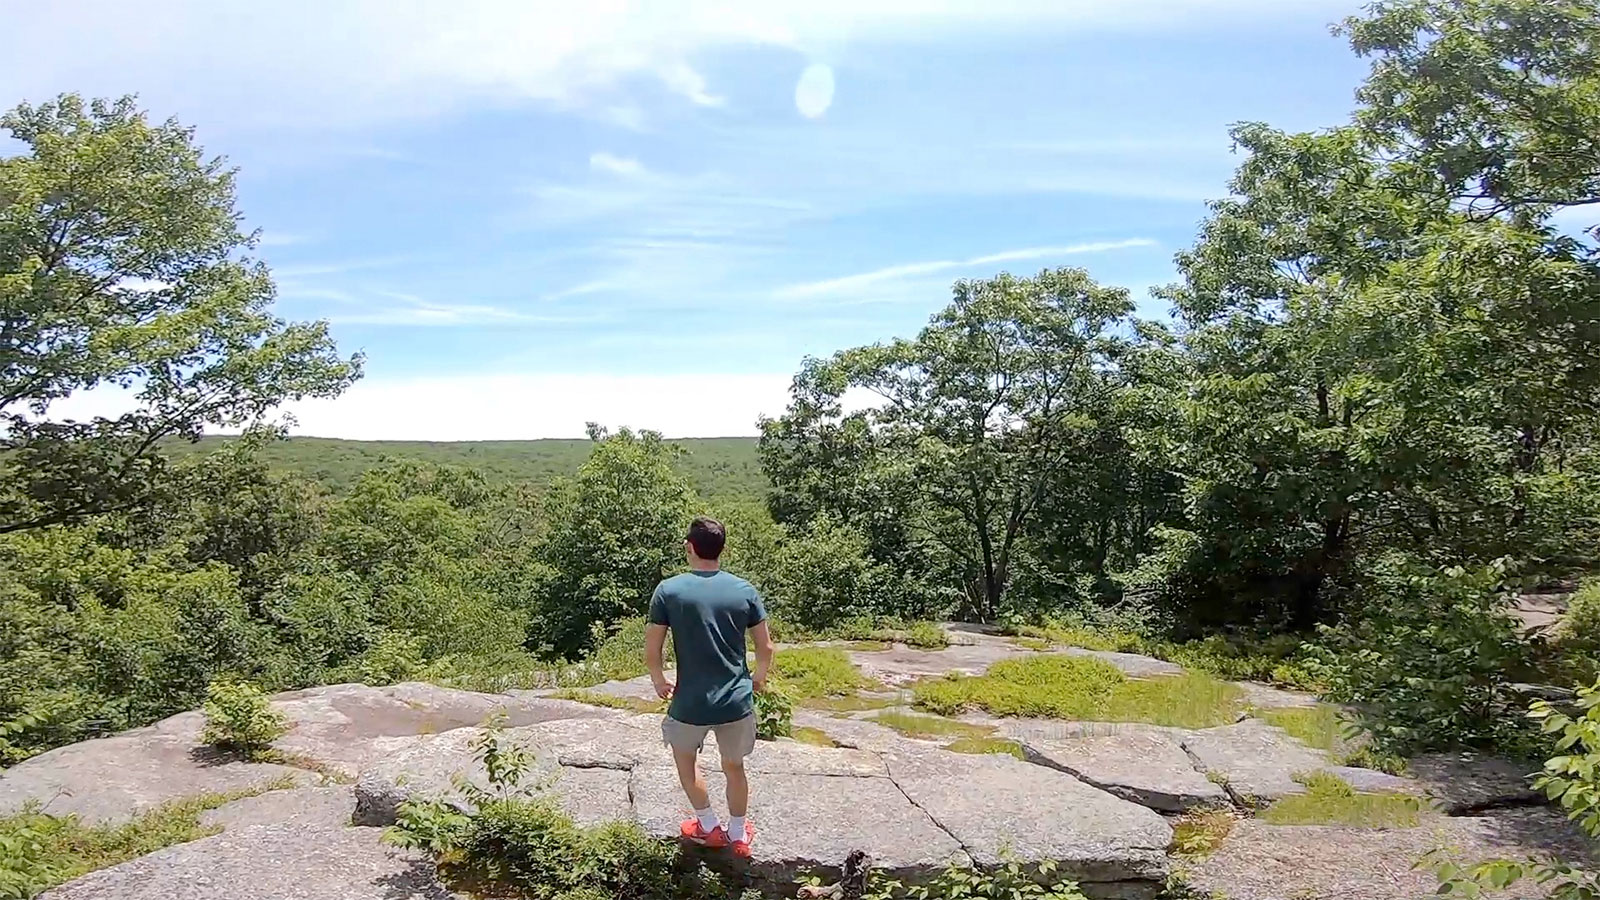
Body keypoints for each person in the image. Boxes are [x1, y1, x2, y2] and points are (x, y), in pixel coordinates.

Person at [646, 516, 774, 859]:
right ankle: (737, 834)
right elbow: (766, 648)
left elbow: (652, 647)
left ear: (690, 547)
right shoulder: (744, 590)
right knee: (734, 766)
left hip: (689, 702)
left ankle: (707, 825)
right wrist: (758, 678)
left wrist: (659, 679)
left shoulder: (668, 591)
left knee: (687, 764)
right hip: (735, 701)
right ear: (722, 549)